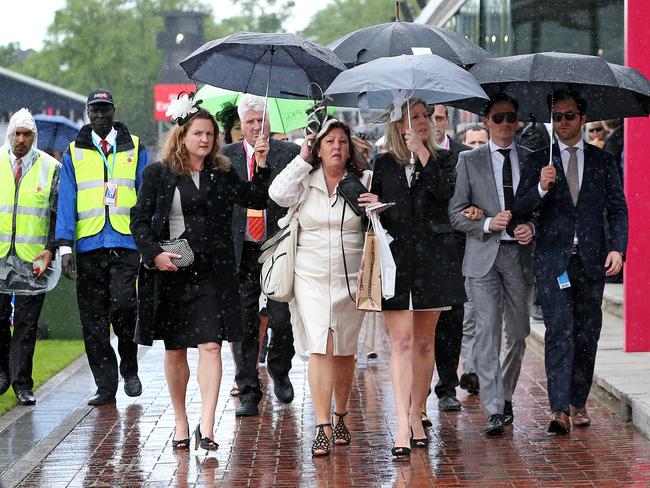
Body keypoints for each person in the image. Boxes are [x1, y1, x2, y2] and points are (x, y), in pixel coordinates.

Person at [130, 105, 270, 450]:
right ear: (183, 135)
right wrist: (154, 254)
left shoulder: (223, 172)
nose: (205, 139)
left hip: (213, 273)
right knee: (176, 350)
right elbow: (139, 220)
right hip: (172, 271)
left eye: (210, 134)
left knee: (211, 345)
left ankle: (207, 427)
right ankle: (181, 421)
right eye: (198, 133)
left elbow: (256, 197)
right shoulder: (158, 174)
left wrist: (262, 164)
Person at [513, 89, 628, 435]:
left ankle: (579, 402)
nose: (563, 122)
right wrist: (542, 188)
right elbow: (520, 208)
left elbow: (618, 209)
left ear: (582, 117)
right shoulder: (537, 161)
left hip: (592, 260)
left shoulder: (603, 160)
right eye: (557, 116)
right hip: (553, 262)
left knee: (586, 334)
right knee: (559, 333)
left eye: (569, 115)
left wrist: (618, 249)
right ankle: (559, 409)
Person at [269, 117, 375, 457]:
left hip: (350, 277)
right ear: (319, 147)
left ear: (350, 149)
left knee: (344, 349)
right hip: (309, 275)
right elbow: (276, 194)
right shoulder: (305, 180)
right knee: (320, 345)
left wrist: (375, 207)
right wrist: (301, 158)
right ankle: (321, 424)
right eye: (329, 142)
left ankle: (341, 413)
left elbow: (381, 221)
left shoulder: (362, 181)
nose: (336, 148)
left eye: (342, 142)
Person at [371, 99, 465, 456]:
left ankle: (416, 414)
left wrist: (423, 153)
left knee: (425, 343)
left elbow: (444, 195)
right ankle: (399, 425)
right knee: (403, 343)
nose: (423, 122)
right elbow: (377, 207)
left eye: (426, 116)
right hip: (396, 260)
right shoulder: (384, 163)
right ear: (399, 124)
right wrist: (372, 206)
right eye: (415, 117)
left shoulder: (443, 159)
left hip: (434, 262)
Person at [449, 93, 535, 436]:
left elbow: (543, 209)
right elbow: (456, 213)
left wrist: (533, 227)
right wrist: (486, 224)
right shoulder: (469, 160)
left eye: (510, 117)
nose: (504, 124)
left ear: (517, 121)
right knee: (486, 333)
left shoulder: (532, 160)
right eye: (497, 118)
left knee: (518, 333)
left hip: (518, 256)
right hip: (483, 254)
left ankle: (507, 394)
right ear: (485, 122)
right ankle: (494, 407)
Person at [56, 89, 148, 406]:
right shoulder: (73, 152)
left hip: (124, 242)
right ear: (87, 113)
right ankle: (106, 387)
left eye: (105, 109)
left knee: (125, 306)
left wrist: (147, 239)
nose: (99, 115)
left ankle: (130, 365)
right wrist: (64, 246)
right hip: (89, 245)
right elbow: (66, 202)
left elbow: (145, 196)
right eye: (94, 110)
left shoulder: (135, 147)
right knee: (93, 321)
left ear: (113, 111)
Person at [222, 94, 300, 416]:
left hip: (276, 246)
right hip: (241, 250)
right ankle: (249, 389)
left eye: (261, 121)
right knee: (243, 323)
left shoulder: (290, 154)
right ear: (242, 127)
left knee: (280, 319)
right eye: (250, 123)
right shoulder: (225, 158)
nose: (256, 128)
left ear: (270, 123)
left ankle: (280, 368)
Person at [0, 109, 61, 405]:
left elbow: (56, 214)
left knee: (26, 323)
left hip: (33, 258)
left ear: (34, 137)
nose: (21, 140)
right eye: (17, 134)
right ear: (9, 135)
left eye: (27, 135)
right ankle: (2, 373)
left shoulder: (50, 168)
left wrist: (51, 248)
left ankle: (23, 383)